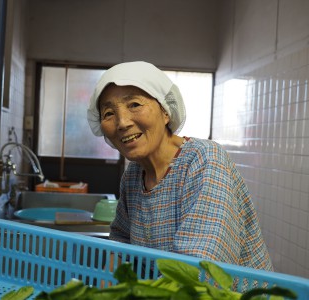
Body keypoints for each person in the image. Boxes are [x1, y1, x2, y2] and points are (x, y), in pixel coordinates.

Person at [87, 61, 273, 271]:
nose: (122, 122)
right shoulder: (133, 176)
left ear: (165, 111)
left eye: (135, 105)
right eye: (109, 113)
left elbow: (200, 266)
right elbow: (120, 241)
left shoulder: (204, 159)